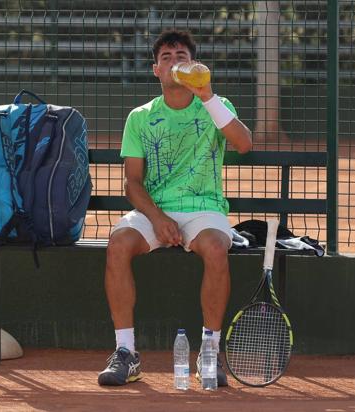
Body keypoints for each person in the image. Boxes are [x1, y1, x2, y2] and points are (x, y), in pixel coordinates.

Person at [98, 29, 252, 386]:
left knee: (216, 247)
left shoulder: (217, 104)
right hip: (155, 210)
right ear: (156, 70)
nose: (173, 63)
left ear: (194, 64)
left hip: (204, 208)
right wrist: (158, 218)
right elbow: (132, 182)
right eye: (166, 58)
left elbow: (244, 143)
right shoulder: (140, 117)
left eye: (181, 56)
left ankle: (210, 353)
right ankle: (126, 353)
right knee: (118, 243)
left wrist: (207, 95)